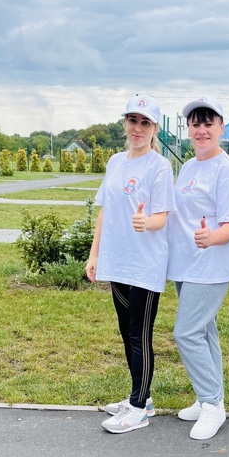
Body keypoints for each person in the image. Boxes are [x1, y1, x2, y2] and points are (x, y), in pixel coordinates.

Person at [86, 95, 176, 433]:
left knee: (140, 334)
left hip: (145, 264)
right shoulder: (115, 162)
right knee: (126, 332)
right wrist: (95, 254)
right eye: (133, 121)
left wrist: (146, 222)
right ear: (125, 123)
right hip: (117, 259)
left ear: (155, 128)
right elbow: (105, 211)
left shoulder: (159, 166)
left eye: (145, 123)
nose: (138, 128)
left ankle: (138, 409)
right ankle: (142, 396)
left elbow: (162, 217)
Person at [167, 96, 229, 441]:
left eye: (208, 123)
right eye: (195, 124)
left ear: (221, 128)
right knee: (204, 331)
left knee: (186, 333)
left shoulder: (226, 170)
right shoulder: (188, 167)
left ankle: (212, 405)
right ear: (188, 129)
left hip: (210, 266)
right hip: (186, 265)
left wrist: (211, 237)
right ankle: (210, 398)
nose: (201, 130)